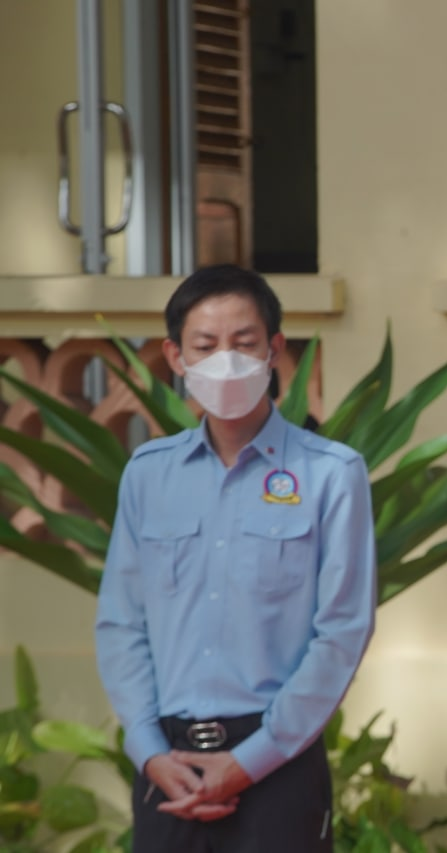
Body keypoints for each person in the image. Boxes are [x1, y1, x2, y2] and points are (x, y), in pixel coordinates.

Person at [95, 264, 377, 853]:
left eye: (244, 342)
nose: (225, 360)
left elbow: (342, 630)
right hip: (167, 764)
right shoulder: (148, 475)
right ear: (175, 357)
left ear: (274, 349)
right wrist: (148, 750)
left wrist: (252, 760)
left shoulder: (331, 474)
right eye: (205, 345)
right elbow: (122, 622)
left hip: (280, 764)